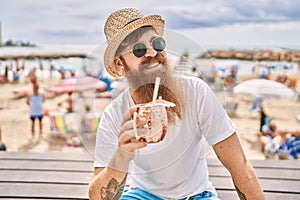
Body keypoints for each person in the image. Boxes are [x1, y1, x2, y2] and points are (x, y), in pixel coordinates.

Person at [89, 8, 264, 200]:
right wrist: (121, 156)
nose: (152, 52)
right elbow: (97, 196)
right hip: (142, 195)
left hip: (197, 195)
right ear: (120, 64)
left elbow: (239, 166)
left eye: (157, 43)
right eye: (139, 49)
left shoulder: (196, 92)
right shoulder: (115, 114)